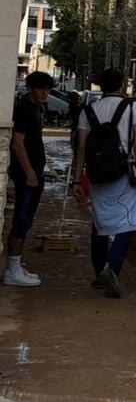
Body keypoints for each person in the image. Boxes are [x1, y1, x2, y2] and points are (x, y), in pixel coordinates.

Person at [71, 68, 136, 299]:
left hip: (97, 173)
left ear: (101, 85)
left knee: (100, 220)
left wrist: (77, 179)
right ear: (122, 86)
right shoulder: (132, 107)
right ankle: (113, 268)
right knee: (130, 221)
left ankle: (100, 271)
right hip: (123, 173)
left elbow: (80, 147)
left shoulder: (88, 110)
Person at [4, 71, 54, 287]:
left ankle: (16, 265)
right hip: (27, 175)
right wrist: (30, 173)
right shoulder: (24, 109)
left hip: (33, 172)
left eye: (47, 89)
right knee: (22, 219)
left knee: (26, 218)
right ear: (30, 88)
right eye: (40, 88)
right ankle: (13, 269)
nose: (44, 93)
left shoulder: (35, 108)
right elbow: (17, 143)